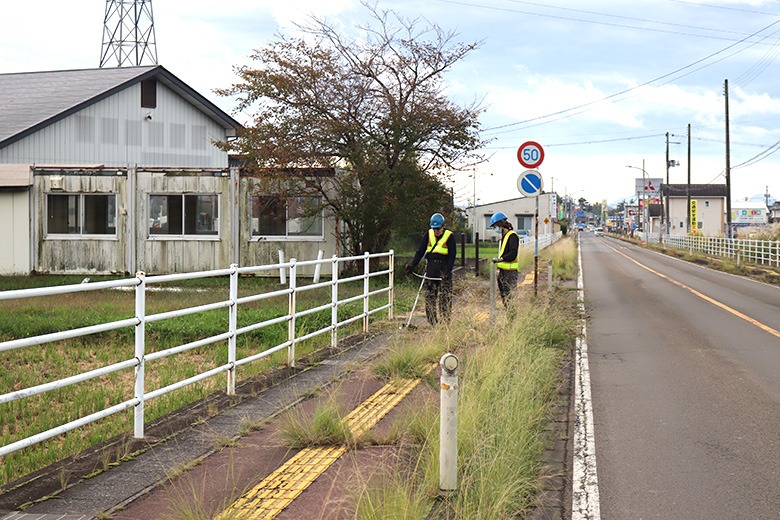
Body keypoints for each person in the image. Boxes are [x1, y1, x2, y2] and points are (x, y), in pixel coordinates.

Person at [406, 212, 457, 325]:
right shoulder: (428, 234)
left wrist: (447, 271)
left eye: (438, 229)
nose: (436, 231)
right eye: (434, 229)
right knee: (430, 297)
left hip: (444, 268)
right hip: (431, 268)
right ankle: (432, 322)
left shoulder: (450, 236)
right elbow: (420, 251)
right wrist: (412, 265)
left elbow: (452, 256)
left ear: (443, 226)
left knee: (445, 297)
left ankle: (445, 322)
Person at [489, 212, 519, 308]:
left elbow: (513, 254)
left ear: (500, 225)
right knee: (505, 298)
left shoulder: (512, 236)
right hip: (503, 272)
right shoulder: (504, 237)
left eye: (495, 226)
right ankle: (509, 316)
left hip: (510, 272)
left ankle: (512, 318)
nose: (496, 229)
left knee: (510, 297)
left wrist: (501, 259)